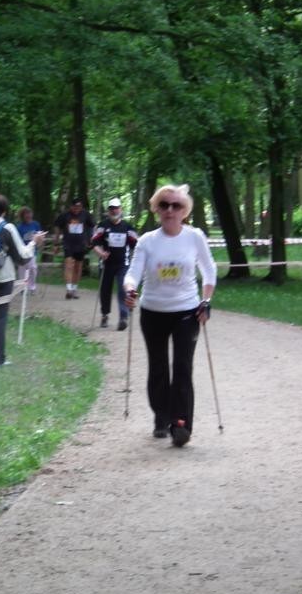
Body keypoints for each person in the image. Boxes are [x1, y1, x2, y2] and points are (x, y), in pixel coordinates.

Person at [124, 184, 216, 447]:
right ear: (156, 209)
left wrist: (206, 300)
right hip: (153, 311)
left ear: (185, 211)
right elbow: (133, 274)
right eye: (164, 205)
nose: (170, 210)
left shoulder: (194, 237)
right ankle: (161, 416)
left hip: (187, 311)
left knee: (183, 367)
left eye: (176, 205)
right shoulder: (147, 241)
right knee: (158, 367)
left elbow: (209, 272)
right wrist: (130, 289)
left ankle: (181, 424)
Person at [0, 193, 46, 365]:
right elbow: (22, 256)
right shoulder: (8, 228)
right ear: (5, 211)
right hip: (2, 278)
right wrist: (34, 242)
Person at [91, 198, 138, 331]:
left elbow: (137, 244)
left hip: (123, 263)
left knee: (123, 289)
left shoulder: (128, 227)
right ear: (108, 211)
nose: (114, 211)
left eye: (116, 208)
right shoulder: (103, 226)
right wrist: (101, 253)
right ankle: (105, 314)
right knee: (105, 290)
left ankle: (123, 317)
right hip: (106, 263)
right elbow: (94, 242)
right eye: (111, 208)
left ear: (121, 209)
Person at [53, 198, 95, 299]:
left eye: (79, 207)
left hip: (81, 245)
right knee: (69, 265)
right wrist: (56, 243)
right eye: (75, 207)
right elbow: (57, 227)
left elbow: (93, 226)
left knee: (78, 267)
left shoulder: (85, 214)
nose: (77, 209)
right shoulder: (65, 215)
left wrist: (91, 239)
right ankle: (69, 289)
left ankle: (74, 289)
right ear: (71, 206)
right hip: (68, 244)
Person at [16, 206, 42, 295]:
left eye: (29, 213)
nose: (28, 215)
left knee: (33, 268)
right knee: (22, 270)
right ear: (23, 216)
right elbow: (17, 239)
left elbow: (39, 235)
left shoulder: (35, 224)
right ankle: (22, 288)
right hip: (22, 251)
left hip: (32, 251)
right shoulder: (19, 227)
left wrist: (40, 242)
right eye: (26, 214)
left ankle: (32, 286)